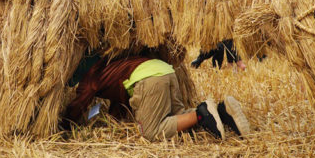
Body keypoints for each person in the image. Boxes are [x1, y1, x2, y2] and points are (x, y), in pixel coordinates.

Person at [62, 54, 250, 141]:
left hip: (150, 80)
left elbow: (79, 104)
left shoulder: (89, 78)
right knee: (177, 117)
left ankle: (201, 113)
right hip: (166, 71)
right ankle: (222, 111)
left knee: (151, 132)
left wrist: (64, 125)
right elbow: (119, 99)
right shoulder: (108, 63)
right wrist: (112, 120)